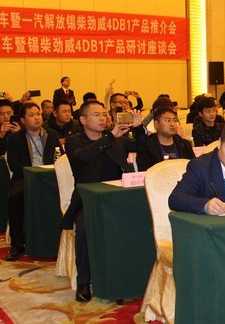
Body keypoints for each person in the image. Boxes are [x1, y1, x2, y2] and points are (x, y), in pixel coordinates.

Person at [62, 100, 146, 302]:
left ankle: (134, 276)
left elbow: (142, 147)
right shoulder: (74, 142)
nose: (102, 118)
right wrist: (110, 137)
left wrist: (138, 128)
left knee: (143, 220)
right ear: (83, 120)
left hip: (118, 198)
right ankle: (84, 281)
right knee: (84, 228)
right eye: (96, 114)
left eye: (104, 114)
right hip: (88, 200)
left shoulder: (116, 139)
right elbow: (83, 157)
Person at [6, 103, 62, 261]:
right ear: (23, 120)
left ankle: (57, 241)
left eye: (38, 114)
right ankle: (17, 245)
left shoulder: (51, 134)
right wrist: (32, 174)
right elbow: (14, 164)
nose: (37, 118)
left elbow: (61, 157)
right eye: (31, 115)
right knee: (15, 196)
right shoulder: (15, 138)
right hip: (27, 178)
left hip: (50, 178)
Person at [136, 107, 194, 171]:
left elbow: (193, 168)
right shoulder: (146, 147)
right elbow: (144, 172)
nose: (172, 124)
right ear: (156, 124)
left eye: (174, 121)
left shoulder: (184, 144)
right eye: (168, 120)